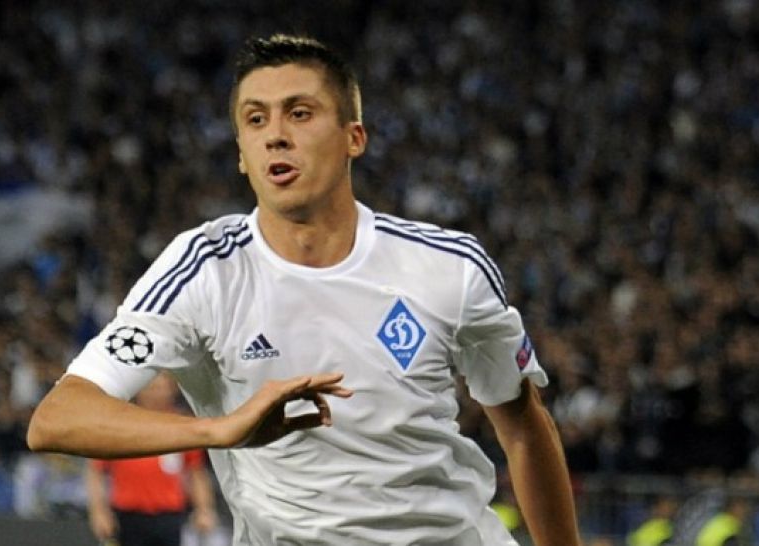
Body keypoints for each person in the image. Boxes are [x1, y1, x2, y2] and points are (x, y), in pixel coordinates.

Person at [28, 33, 581, 546]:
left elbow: (524, 429)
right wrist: (221, 429)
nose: (276, 134)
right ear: (242, 154)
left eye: (299, 112)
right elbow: (58, 417)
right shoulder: (205, 271)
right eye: (255, 119)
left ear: (353, 138)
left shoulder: (449, 267)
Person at [85, 372, 218, 546]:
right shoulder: (119, 423)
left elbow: (196, 472)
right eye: (151, 388)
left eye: (161, 388)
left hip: (169, 516)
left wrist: (204, 509)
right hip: (128, 516)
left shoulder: (183, 426)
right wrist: (99, 511)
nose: (156, 394)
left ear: (172, 389)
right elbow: (96, 472)